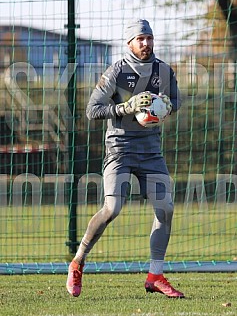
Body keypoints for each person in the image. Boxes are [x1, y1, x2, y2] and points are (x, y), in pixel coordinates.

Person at [66, 19, 184, 298]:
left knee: (165, 208)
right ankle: (78, 261)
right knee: (113, 208)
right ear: (129, 43)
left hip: (150, 150)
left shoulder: (163, 71)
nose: (146, 43)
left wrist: (164, 106)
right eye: (140, 39)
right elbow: (92, 110)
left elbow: (177, 101)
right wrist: (125, 107)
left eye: (149, 38)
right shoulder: (117, 70)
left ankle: (155, 275)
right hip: (119, 148)